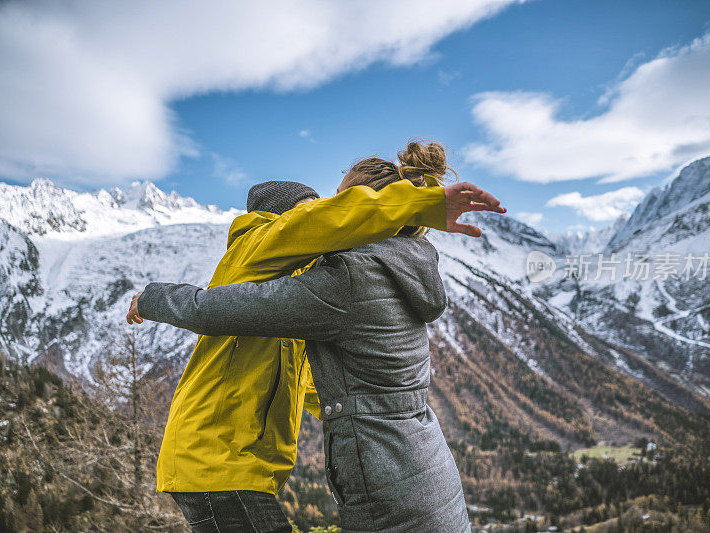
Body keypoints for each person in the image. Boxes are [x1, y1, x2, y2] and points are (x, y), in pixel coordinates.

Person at [130, 141, 506, 532]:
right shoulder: (282, 247)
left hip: (365, 471)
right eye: (313, 214)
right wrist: (152, 298)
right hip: (220, 461)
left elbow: (322, 380)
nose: (324, 226)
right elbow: (209, 309)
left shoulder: (337, 281)